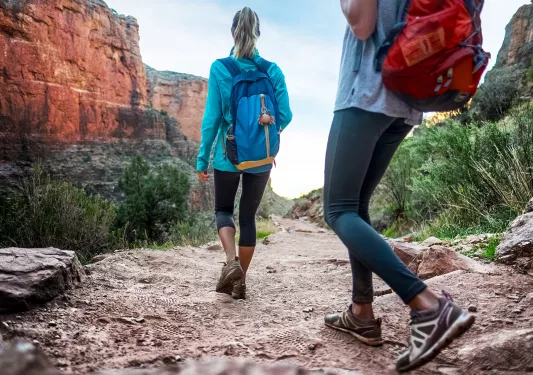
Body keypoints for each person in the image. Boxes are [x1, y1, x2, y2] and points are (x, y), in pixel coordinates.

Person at [323, 0, 475, 372]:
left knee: (338, 210)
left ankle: (429, 306)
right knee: (356, 206)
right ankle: (361, 312)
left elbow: (362, 23)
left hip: (366, 92)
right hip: (407, 97)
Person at [197, 7, 292, 300]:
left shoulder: (220, 68)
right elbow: (285, 116)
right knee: (248, 216)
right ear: (258, 33)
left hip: (229, 154)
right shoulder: (272, 70)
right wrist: (261, 135)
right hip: (261, 159)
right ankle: (241, 282)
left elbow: (212, 119)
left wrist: (203, 158)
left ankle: (230, 263)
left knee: (223, 211)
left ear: (233, 32)